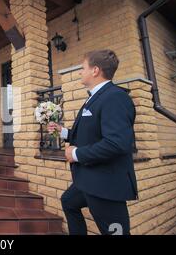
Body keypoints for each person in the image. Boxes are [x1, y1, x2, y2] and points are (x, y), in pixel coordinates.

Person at [48, 50, 138, 235]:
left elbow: (117, 143)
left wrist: (75, 154)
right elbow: (90, 134)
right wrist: (63, 131)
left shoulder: (115, 97)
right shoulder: (96, 96)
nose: (81, 72)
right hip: (89, 179)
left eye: (83, 68)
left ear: (95, 70)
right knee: (69, 202)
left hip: (106, 184)